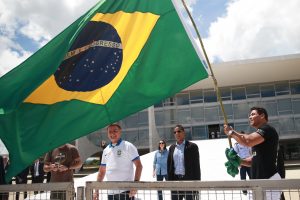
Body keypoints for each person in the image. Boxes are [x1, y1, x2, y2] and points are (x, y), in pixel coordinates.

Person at [224, 107, 281, 200]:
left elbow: (247, 140)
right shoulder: (258, 139)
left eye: (253, 114)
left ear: (262, 116)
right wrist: (238, 160)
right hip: (256, 183)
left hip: (269, 181)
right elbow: (252, 161)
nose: (250, 117)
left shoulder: (267, 129)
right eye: (249, 115)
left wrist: (231, 132)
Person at [94, 123, 143, 200]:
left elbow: (139, 166)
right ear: (107, 134)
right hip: (111, 192)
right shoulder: (106, 150)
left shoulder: (128, 146)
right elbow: (102, 171)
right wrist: (96, 190)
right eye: (110, 131)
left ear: (120, 131)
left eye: (115, 131)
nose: (112, 133)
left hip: (126, 191)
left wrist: (135, 185)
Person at [167, 125, 201, 200]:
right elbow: (169, 166)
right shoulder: (172, 148)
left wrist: (197, 184)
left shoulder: (192, 146)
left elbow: (196, 167)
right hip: (175, 181)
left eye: (179, 131)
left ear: (184, 132)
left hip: (189, 181)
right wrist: (169, 183)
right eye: (174, 132)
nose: (177, 133)